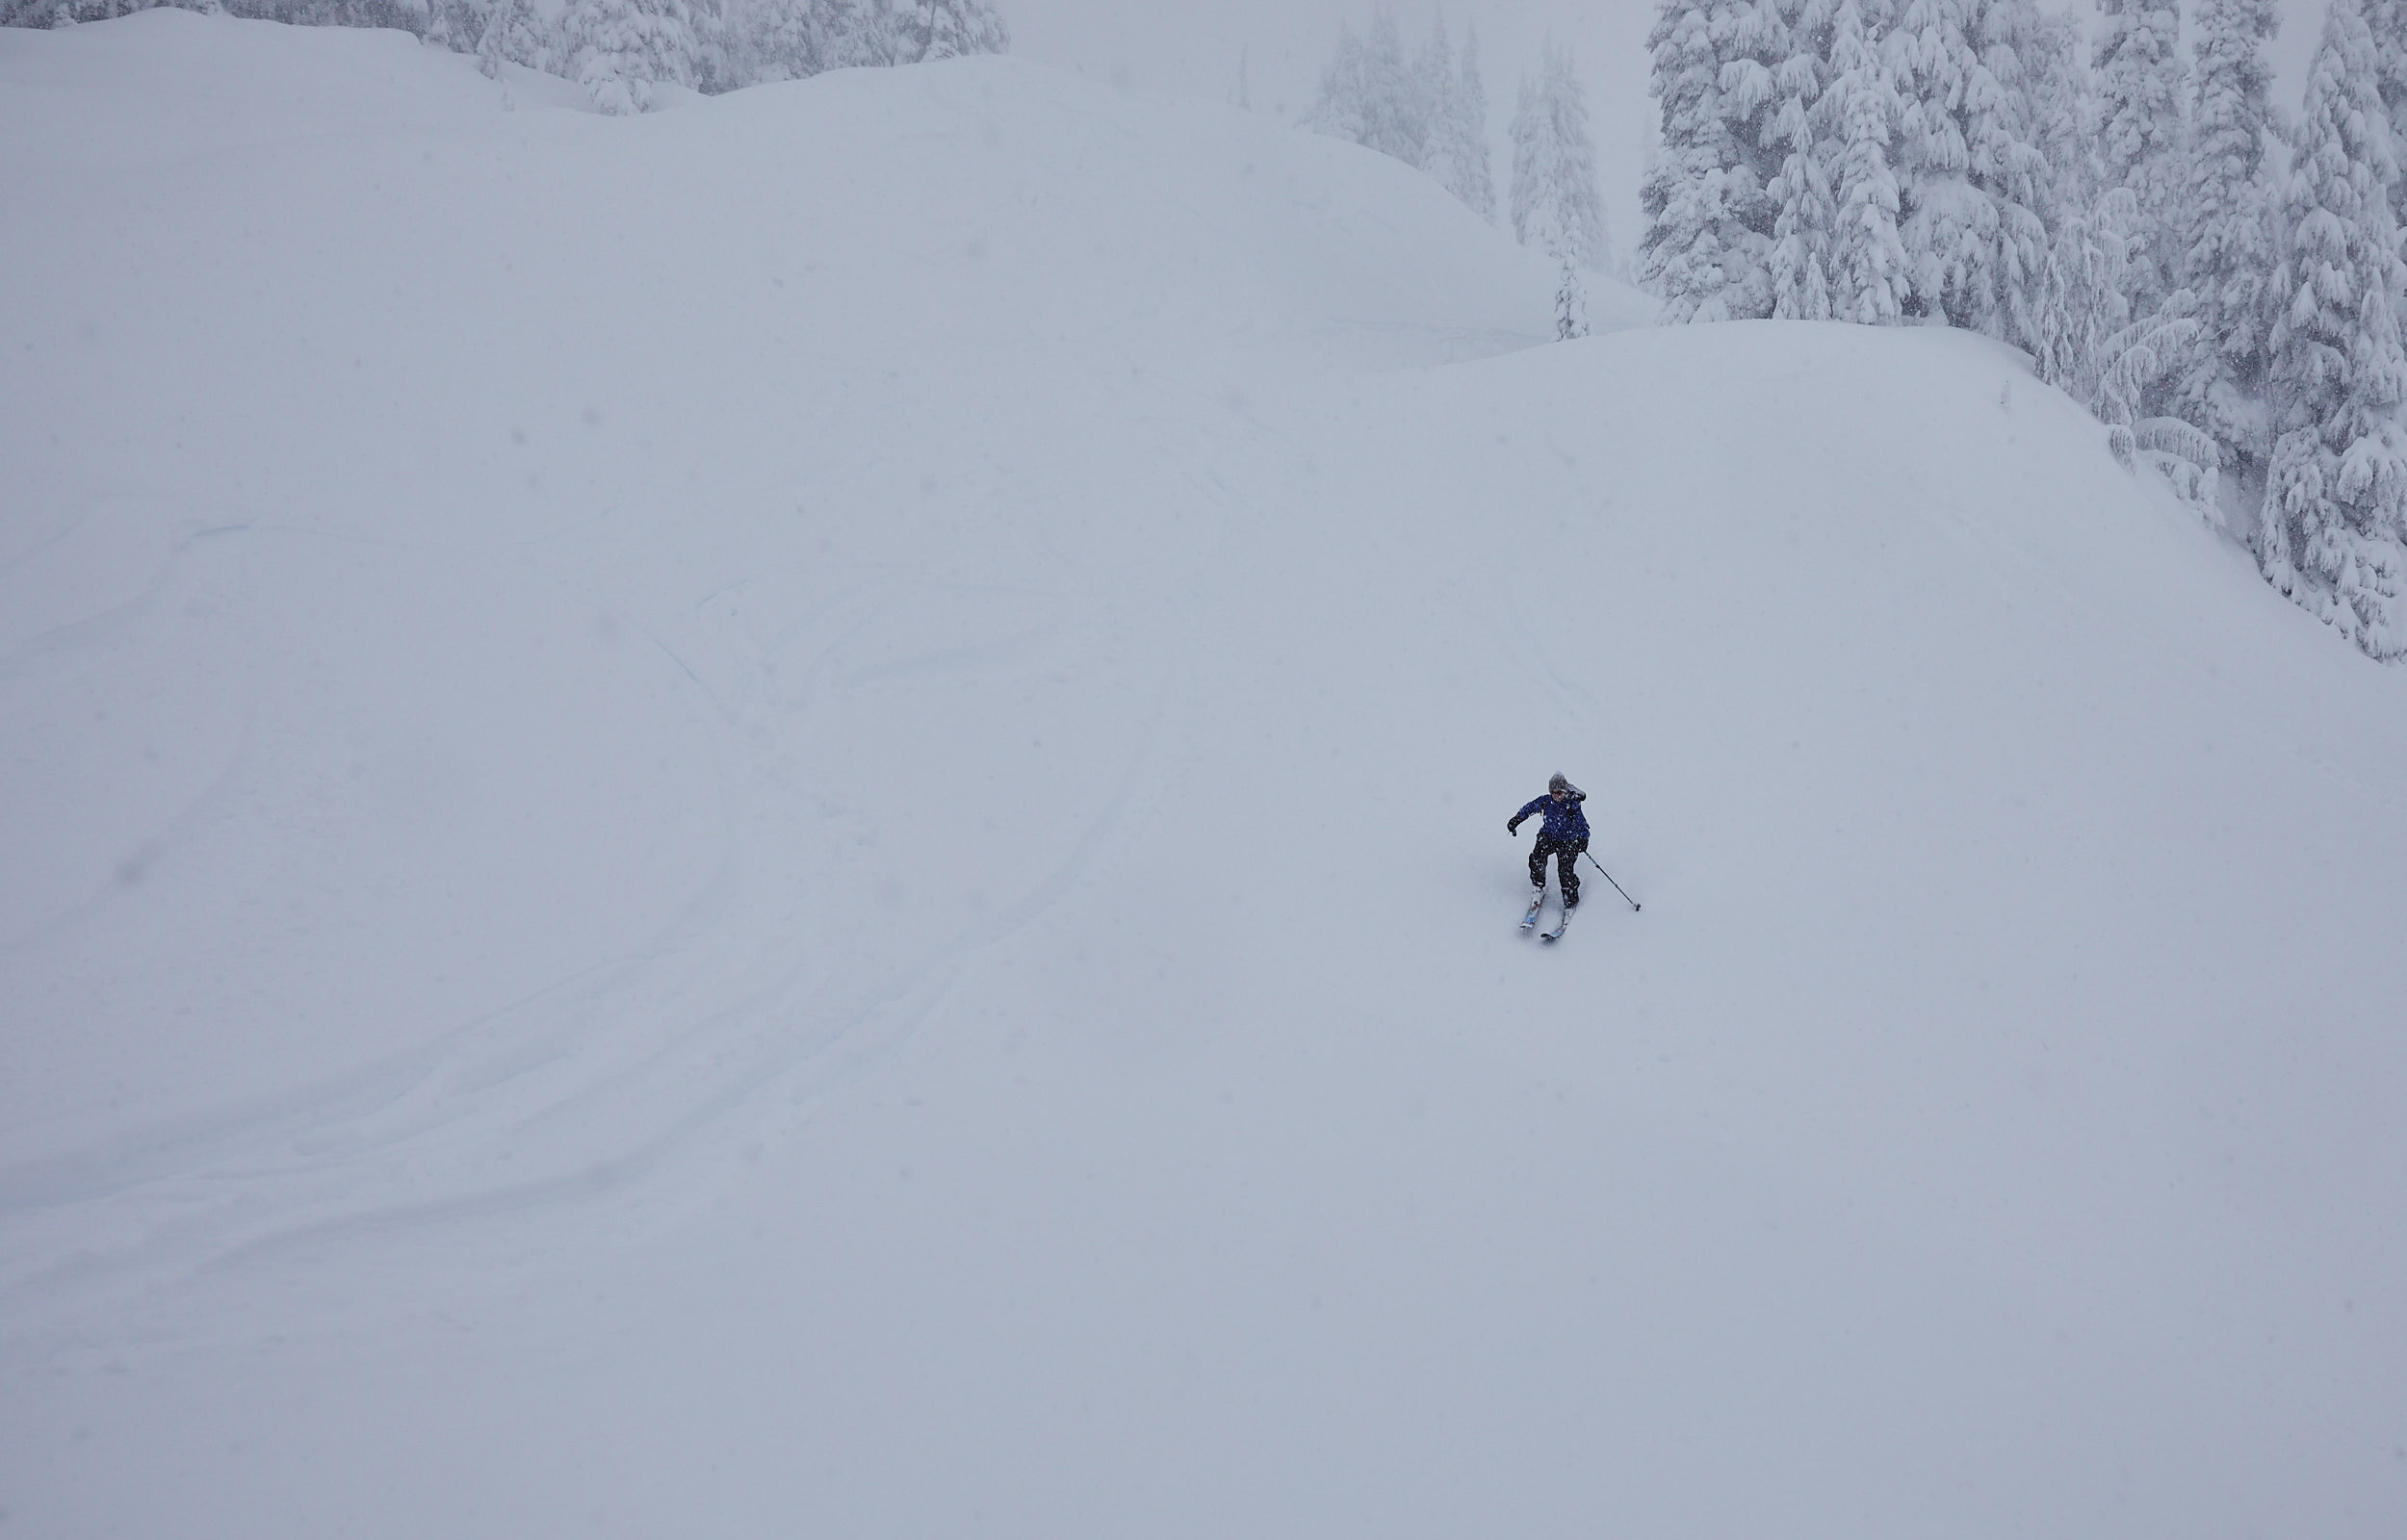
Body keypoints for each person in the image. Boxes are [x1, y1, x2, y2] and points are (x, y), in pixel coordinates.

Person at [1508, 773, 1589, 910]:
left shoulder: (1572, 805)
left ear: (1564, 791)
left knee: (1565, 872)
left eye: (1559, 793)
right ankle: (1538, 886)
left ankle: (1570, 901)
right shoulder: (1546, 801)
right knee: (1537, 856)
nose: (1556, 796)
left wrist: (1583, 839)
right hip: (1549, 836)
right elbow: (1529, 808)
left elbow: (1583, 825)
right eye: (1553, 792)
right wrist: (1516, 820)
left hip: (1568, 841)